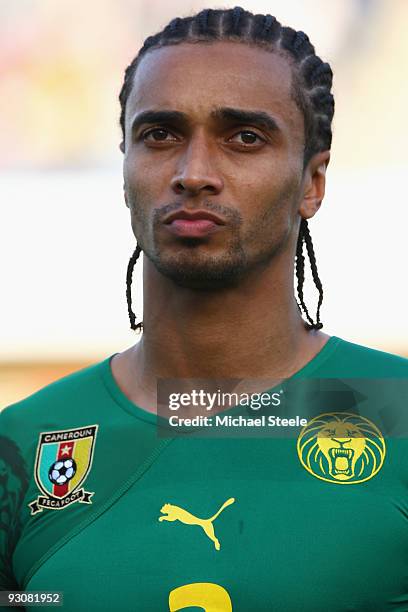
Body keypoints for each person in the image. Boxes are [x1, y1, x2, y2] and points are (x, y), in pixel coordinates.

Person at [1, 6, 407, 611]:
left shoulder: (395, 411)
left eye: (245, 137)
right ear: (126, 171)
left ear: (312, 183)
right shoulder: (23, 445)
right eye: (160, 135)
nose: (193, 174)